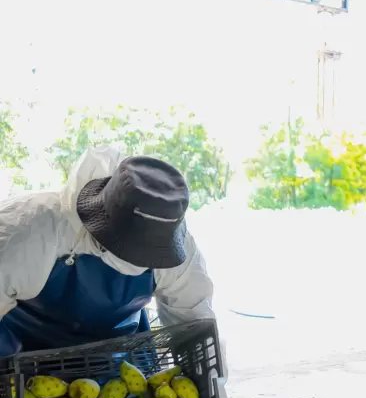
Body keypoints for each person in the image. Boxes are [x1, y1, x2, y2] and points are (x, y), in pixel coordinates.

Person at [0, 145, 216, 357]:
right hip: (20, 347)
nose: (135, 261)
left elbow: (195, 327)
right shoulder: (27, 230)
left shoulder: (175, 245)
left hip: (118, 349)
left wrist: (204, 375)